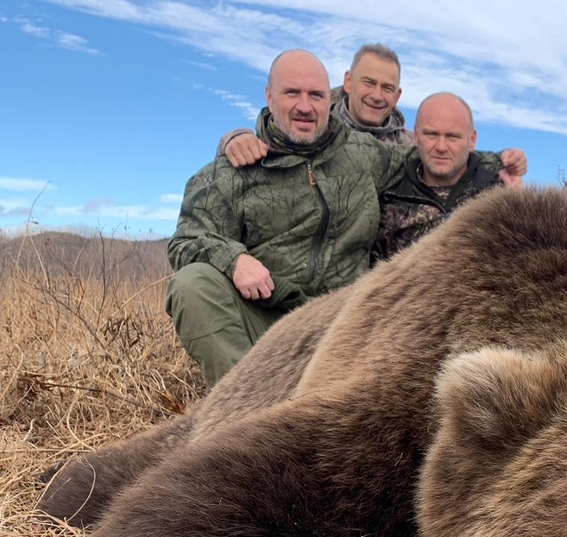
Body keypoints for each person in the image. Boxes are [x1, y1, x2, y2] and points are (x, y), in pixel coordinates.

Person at [166, 49, 525, 385]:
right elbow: (185, 241)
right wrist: (234, 259)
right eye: (292, 93)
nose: (305, 106)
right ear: (269, 96)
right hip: (266, 315)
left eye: (316, 96)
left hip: (346, 324)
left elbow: (433, 156)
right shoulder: (229, 172)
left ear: (330, 98)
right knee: (192, 284)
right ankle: (242, 410)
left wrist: (501, 165)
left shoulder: (363, 155)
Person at [220, 43, 412, 168]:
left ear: (398, 96)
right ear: (348, 81)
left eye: (387, 88)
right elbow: (272, 135)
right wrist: (233, 139)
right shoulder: (313, 123)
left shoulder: (410, 146)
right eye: (368, 83)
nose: (377, 95)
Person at [372, 92, 513, 263]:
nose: (441, 146)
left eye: (452, 136)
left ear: (472, 140)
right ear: (416, 136)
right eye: (431, 134)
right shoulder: (389, 197)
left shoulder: (500, 196)